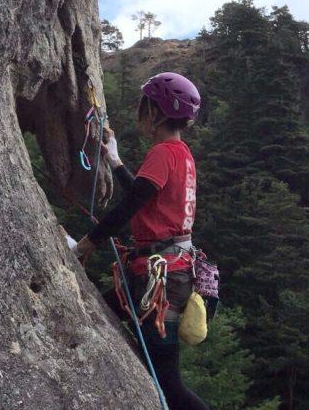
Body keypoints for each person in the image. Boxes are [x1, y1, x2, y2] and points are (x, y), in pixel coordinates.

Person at [72, 72, 209, 410]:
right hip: (168, 274)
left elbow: (131, 203)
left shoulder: (164, 153)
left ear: (158, 113)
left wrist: (89, 243)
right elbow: (143, 194)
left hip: (159, 281)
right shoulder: (181, 154)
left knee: (169, 384)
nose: (141, 113)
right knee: (99, 311)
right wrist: (116, 161)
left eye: (146, 106)